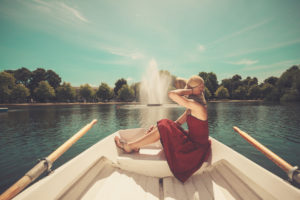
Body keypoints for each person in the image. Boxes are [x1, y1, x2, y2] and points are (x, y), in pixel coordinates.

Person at [114, 75, 211, 182]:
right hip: (192, 142)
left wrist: (191, 91)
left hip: (195, 150)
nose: (187, 89)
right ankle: (135, 146)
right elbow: (177, 123)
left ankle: (130, 146)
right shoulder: (192, 107)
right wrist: (158, 129)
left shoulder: (198, 107)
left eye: (189, 87)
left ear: (194, 89)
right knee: (164, 124)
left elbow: (171, 94)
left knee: (164, 126)